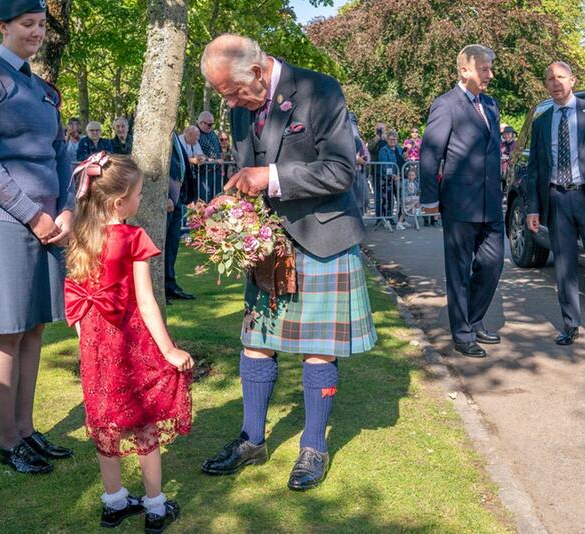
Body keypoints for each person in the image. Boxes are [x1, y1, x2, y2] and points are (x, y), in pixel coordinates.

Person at [199, 34, 377, 491]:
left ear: (257, 72)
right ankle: (251, 440)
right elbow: (245, 171)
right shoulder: (240, 108)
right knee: (255, 343)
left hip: (322, 236)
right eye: (225, 95)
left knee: (319, 346)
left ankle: (313, 445)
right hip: (269, 244)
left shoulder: (320, 90)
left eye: (234, 92)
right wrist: (233, 216)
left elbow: (341, 170)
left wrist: (271, 176)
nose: (232, 102)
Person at [0, 0, 75, 475]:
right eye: (27, 24)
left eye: (42, 25)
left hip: (47, 221)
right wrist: (31, 214)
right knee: (6, 331)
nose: (37, 32)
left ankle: (26, 429)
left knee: (34, 328)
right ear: (3, 25)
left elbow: (60, 153)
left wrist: (64, 209)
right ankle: (7, 443)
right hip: (3, 218)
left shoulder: (43, 88)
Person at [65, 152, 190, 533]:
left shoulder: (81, 236)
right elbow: (147, 300)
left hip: (97, 347)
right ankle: (155, 506)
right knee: (143, 420)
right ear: (119, 201)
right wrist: (168, 349)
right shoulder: (133, 237)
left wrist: (87, 338)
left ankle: (114, 501)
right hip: (131, 340)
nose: (140, 201)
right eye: (137, 194)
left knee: (107, 422)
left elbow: (75, 299)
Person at [420, 44, 504, 358]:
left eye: (490, 69)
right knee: (458, 270)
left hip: (491, 203)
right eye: (484, 69)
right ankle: (463, 333)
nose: (490, 75)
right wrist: (429, 198)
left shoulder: (492, 105)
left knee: (493, 263)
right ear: (465, 69)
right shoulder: (446, 105)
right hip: (459, 204)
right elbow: (431, 154)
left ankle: (473, 317)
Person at [526, 62, 585, 347]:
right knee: (564, 267)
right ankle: (570, 325)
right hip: (557, 199)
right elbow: (535, 168)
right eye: (549, 78)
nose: (555, 82)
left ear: (572, 80)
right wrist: (533, 209)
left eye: (560, 77)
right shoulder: (541, 121)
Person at [164, 131, 195, 303]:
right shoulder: (158, 133)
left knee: (172, 245)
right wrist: (165, 196)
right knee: (162, 246)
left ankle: (170, 284)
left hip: (176, 200)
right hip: (166, 200)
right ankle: (158, 288)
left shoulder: (173, 134)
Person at [378, 130, 405, 229]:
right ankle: (387, 219)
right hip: (387, 178)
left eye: (395, 139)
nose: (393, 141)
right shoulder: (383, 150)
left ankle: (401, 220)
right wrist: (392, 175)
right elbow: (385, 165)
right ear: (387, 139)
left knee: (400, 198)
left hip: (399, 177)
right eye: (391, 139)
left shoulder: (399, 148)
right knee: (388, 199)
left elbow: (402, 161)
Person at [398, 165, 419, 230]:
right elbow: (399, 186)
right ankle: (417, 210)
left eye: (412, 175)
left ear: (415, 176)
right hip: (406, 198)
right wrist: (397, 181)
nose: (411, 177)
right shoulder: (405, 181)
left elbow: (418, 191)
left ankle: (399, 223)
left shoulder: (416, 183)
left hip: (412, 199)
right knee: (417, 199)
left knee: (405, 211)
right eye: (409, 175)